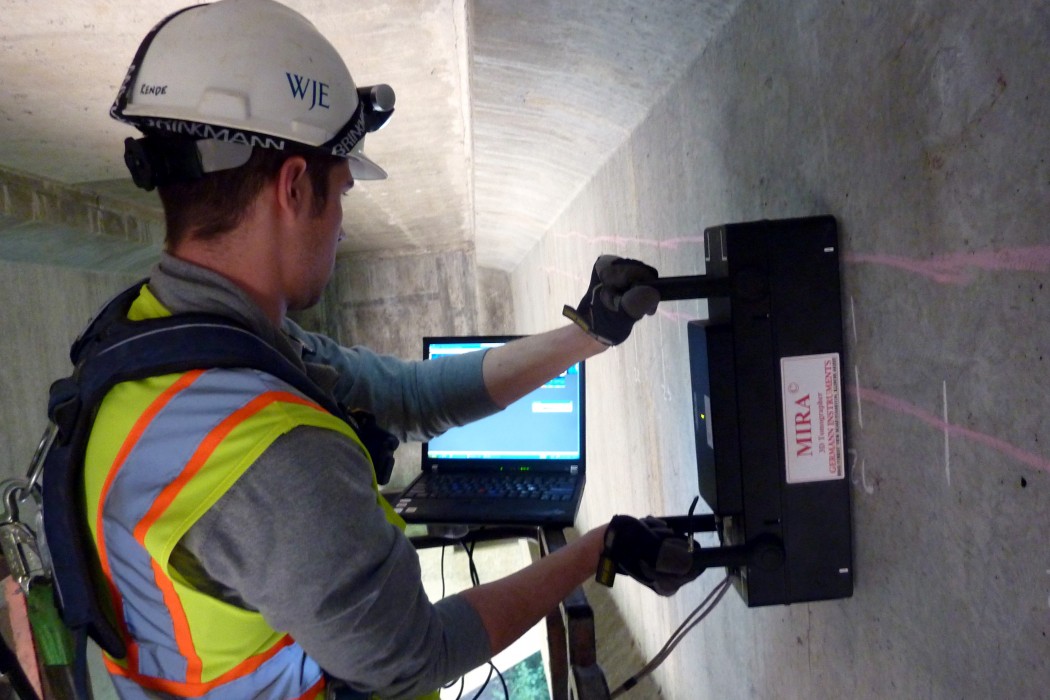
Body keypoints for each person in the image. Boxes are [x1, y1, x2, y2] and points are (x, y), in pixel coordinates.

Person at [77, 1, 692, 698]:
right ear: (294, 186)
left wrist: (589, 333)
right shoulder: (266, 451)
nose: (341, 226)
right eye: (341, 192)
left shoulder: (161, 344)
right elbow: (419, 656)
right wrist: (597, 549)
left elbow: (407, 397)